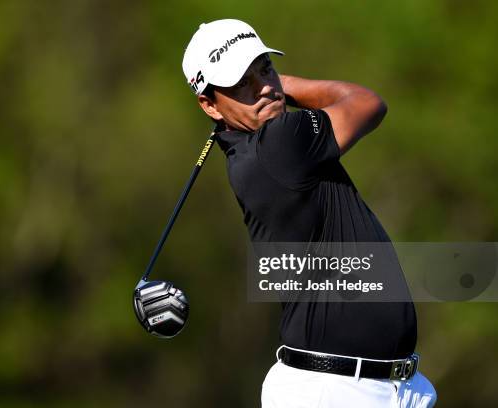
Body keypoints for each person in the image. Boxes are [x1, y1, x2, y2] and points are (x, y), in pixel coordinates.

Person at [182, 19, 437, 407]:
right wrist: (282, 85)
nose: (263, 87)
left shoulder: (254, 150)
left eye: (264, 68)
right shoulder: (280, 144)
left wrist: (264, 87)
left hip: (390, 387)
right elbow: (366, 103)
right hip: (334, 391)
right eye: (240, 83)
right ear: (209, 105)